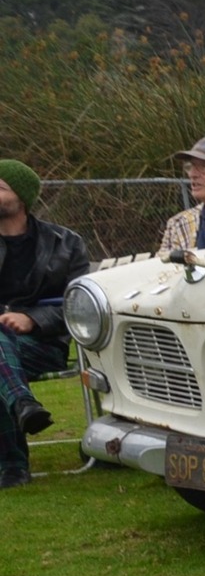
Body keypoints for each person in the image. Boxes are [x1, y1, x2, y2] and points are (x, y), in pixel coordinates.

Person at [0, 159, 90, 490]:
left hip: (44, 345)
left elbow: (81, 304)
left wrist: (33, 320)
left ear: (21, 198)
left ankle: (12, 465)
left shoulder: (66, 243)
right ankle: (22, 402)